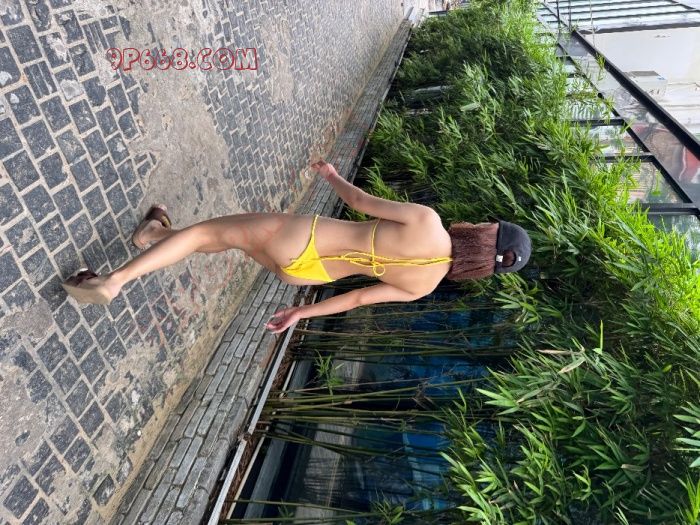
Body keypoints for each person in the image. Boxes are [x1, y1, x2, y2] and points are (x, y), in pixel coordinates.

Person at [62, 161, 531, 333]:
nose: (480, 223)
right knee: (224, 240)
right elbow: (358, 299)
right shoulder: (425, 286)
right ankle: (153, 235)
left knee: (207, 233)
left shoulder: (428, 222)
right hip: (304, 273)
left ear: (484, 234)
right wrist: (300, 313)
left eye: (487, 225)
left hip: (304, 236)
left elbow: (359, 201)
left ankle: (115, 280)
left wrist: (331, 176)